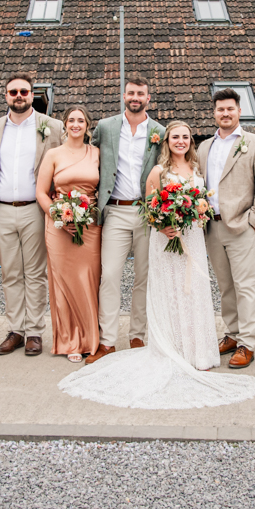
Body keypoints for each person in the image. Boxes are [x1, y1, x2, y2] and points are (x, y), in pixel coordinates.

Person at [58, 121, 255, 409]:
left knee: (193, 291)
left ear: (191, 141)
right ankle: (166, 346)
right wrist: (166, 226)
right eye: (175, 137)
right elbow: (151, 207)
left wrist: (195, 215)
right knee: (169, 290)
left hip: (192, 238)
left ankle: (194, 351)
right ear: (166, 142)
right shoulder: (158, 172)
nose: (180, 141)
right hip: (165, 237)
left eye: (185, 137)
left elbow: (202, 205)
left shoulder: (198, 170)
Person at [0, 73, 63, 358]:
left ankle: (35, 332)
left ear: (33, 95)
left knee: (36, 273)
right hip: (1, 209)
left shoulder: (52, 127)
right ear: (5, 95)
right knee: (10, 273)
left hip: (35, 209)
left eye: (24, 92)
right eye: (13, 92)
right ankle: (15, 330)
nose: (19, 96)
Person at [87, 76, 165, 364]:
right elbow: (90, 158)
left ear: (148, 98)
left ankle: (138, 335)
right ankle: (107, 340)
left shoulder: (160, 131)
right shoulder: (106, 127)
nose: (135, 97)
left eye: (140, 94)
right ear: (123, 96)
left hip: (147, 212)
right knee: (109, 276)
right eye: (131, 93)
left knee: (144, 277)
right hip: (115, 211)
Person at [197, 89, 255, 369]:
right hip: (212, 226)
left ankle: (247, 343)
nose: (225, 114)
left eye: (230, 109)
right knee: (225, 286)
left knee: (246, 286)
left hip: (242, 226)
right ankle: (231, 333)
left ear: (239, 111)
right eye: (220, 110)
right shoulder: (204, 147)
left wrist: (253, 222)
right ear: (214, 113)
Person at [36, 106, 101, 363]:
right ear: (64, 124)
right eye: (71, 120)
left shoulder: (96, 153)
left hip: (91, 226)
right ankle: (69, 340)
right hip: (59, 225)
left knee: (88, 280)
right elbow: (41, 191)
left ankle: (90, 338)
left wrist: (86, 215)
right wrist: (59, 215)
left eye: (81, 120)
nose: (76, 124)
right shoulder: (53, 154)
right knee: (63, 281)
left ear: (87, 125)